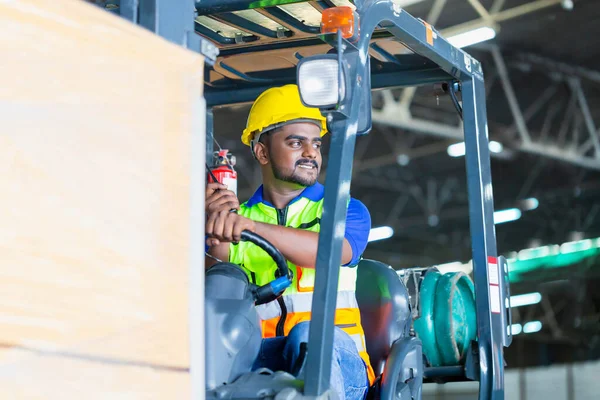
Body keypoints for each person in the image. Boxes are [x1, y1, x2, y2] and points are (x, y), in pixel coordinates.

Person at [205, 84, 374, 400]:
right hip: (263, 367)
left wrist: (250, 226)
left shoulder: (344, 208)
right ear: (262, 152)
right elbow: (216, 281)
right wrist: (213, 223)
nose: (311, 153)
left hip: (340, 367)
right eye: (297, 143)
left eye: (316, 144)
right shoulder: (238, 217)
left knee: (308, 334)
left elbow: (329, 252)